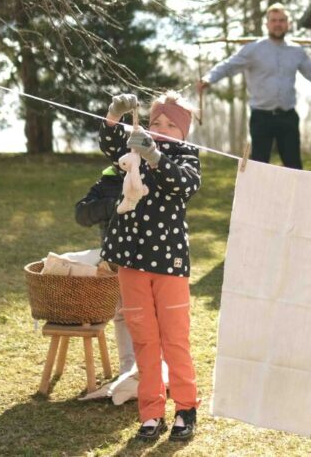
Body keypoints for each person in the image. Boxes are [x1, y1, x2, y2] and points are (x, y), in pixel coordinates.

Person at [100, 91, 202, 442]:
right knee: (144, 339)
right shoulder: (134, 147)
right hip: (132, 259)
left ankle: (186, 408)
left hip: (169, 262)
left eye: (171, 125)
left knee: (175, 339)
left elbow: (184, 183)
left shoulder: (187, 155)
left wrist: (155, 155)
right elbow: (110, 144)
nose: (162, 128)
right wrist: (113, 116)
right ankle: (151, 412)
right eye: (156, 122)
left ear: (184, 131)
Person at [197, 3, 311, 169]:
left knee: (294, 168)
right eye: (274, 20)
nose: (278, 24)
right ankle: (259, 187)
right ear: (267, 24)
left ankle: (294, 187)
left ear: (287, 24)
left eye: (282, 20)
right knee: (259, 167)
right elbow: (228, 66)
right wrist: (208, 79)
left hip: (287, 117)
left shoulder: (296, 51)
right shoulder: (253, 49)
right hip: (261, 117)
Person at [73, 166, 139, 404]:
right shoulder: (107, 181)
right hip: (116, 260)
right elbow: (81, 214)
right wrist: (112, 205)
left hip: (147, 260)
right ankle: (128, 371)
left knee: (147, 315)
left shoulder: (152, 174)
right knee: (122, 314)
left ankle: (152, 371)